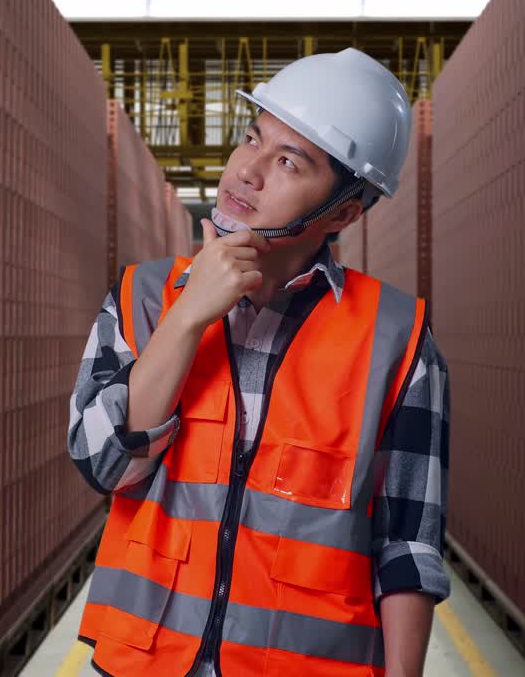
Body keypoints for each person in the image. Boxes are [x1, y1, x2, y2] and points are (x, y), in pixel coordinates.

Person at [67, 47, 450, 677]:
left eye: (288, 161)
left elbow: (408, 541)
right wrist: (189, 316)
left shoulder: (397, 339)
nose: (248, 171)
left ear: (345, 211)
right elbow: (102, 465)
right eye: (252, 138)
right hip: (146, 663)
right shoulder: (144, 297)